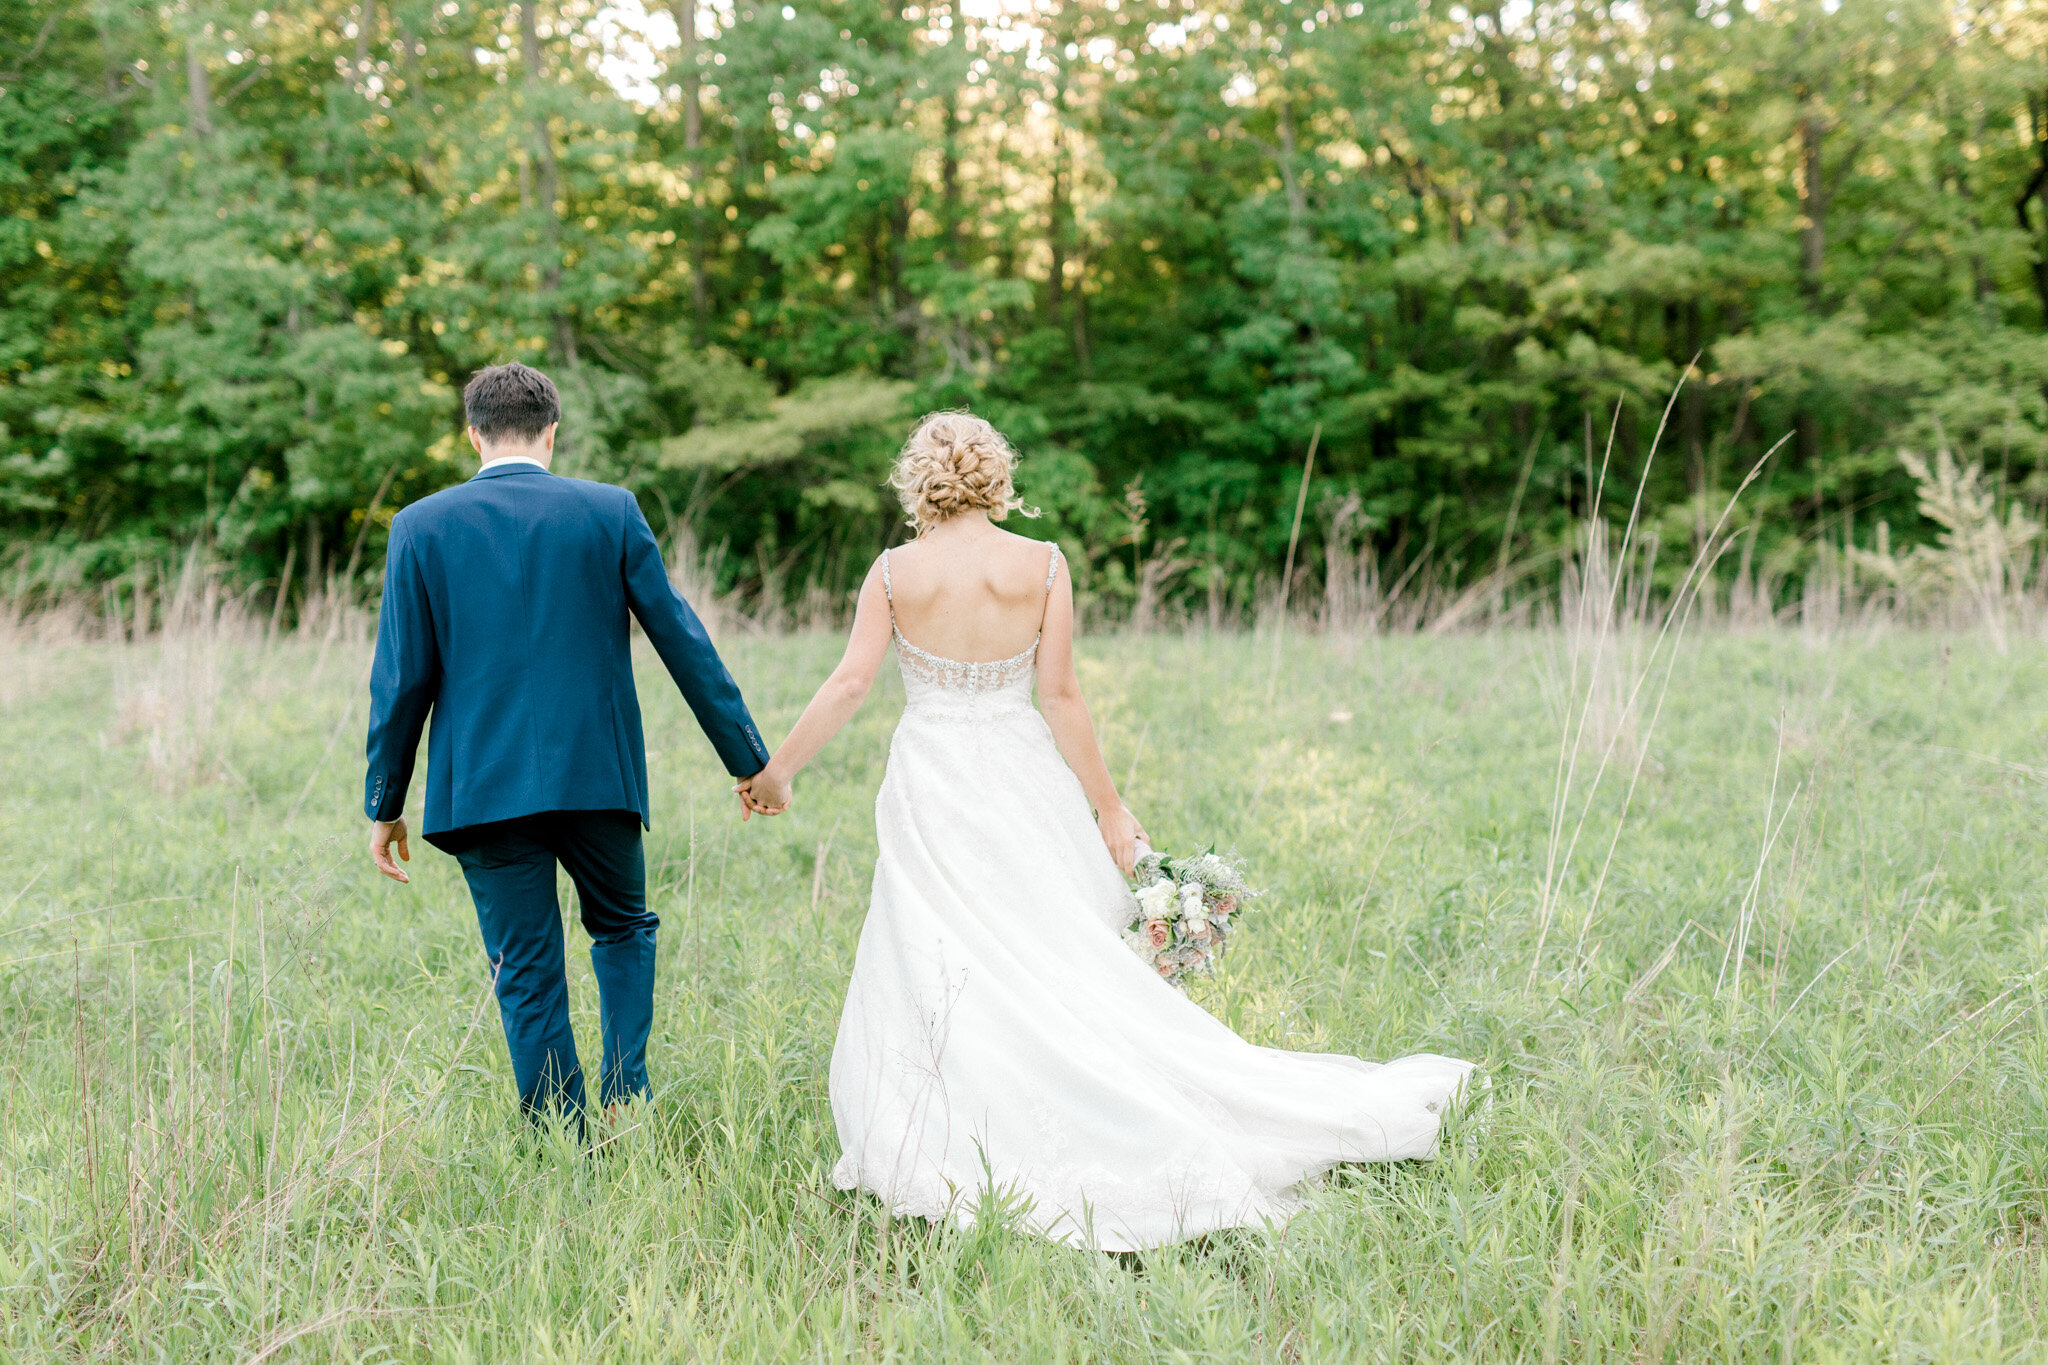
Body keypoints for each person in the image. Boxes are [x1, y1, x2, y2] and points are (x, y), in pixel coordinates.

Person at [738, 411, 1475, 1252]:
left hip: (933, 780)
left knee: (936, 947)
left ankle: (954, 1120)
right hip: (1021, 774)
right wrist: (1109, 807)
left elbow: (849, 683)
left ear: (920, 480)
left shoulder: (895, 573)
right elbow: (1061, 699)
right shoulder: (1044, 566)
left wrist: (780, 770)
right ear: (994, 477)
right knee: (1046, 945)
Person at [363, 361, 769, 1130]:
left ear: (473, 434)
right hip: (597, 776)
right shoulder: (608, 511)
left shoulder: (419, 525)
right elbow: (684, 642)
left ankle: (562, 1134)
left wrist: (385, 803)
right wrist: (750, 760)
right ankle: (625, 1096)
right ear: (553, 430)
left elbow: (401, 681)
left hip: (482, 785)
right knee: (622, 926)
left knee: (525, 966)